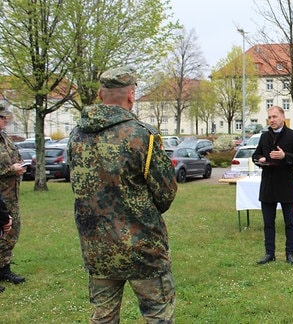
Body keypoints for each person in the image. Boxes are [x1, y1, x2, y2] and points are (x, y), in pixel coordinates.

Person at [67, 66, 178, 322]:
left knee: (103, 317)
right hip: (143, 248)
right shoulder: (142, 135)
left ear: (99, 94)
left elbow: (78, 184)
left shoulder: (77, 136)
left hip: (97, 246)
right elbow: (165, 192)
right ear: (131, 95)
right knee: (158, 315)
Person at [252, 106, 293, 266]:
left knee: (290, 222)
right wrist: (260, 159)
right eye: (269, 117)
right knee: (268, 223)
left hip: (285, 185)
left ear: (283, 117)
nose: (272, 120)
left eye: (275, 117)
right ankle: (269, 253)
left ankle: (290, 254)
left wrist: (285, 156)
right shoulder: (264, 137)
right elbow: (256, 155)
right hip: (268, 185)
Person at [0, 106, 27, 293]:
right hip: (0, 195)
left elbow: (14, 156)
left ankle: (4, 269)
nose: (6, 121)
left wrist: (20, 165)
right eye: (3, 118)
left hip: (11, 195)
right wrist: (11, 170)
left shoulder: (5, 138)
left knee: (12, 231)